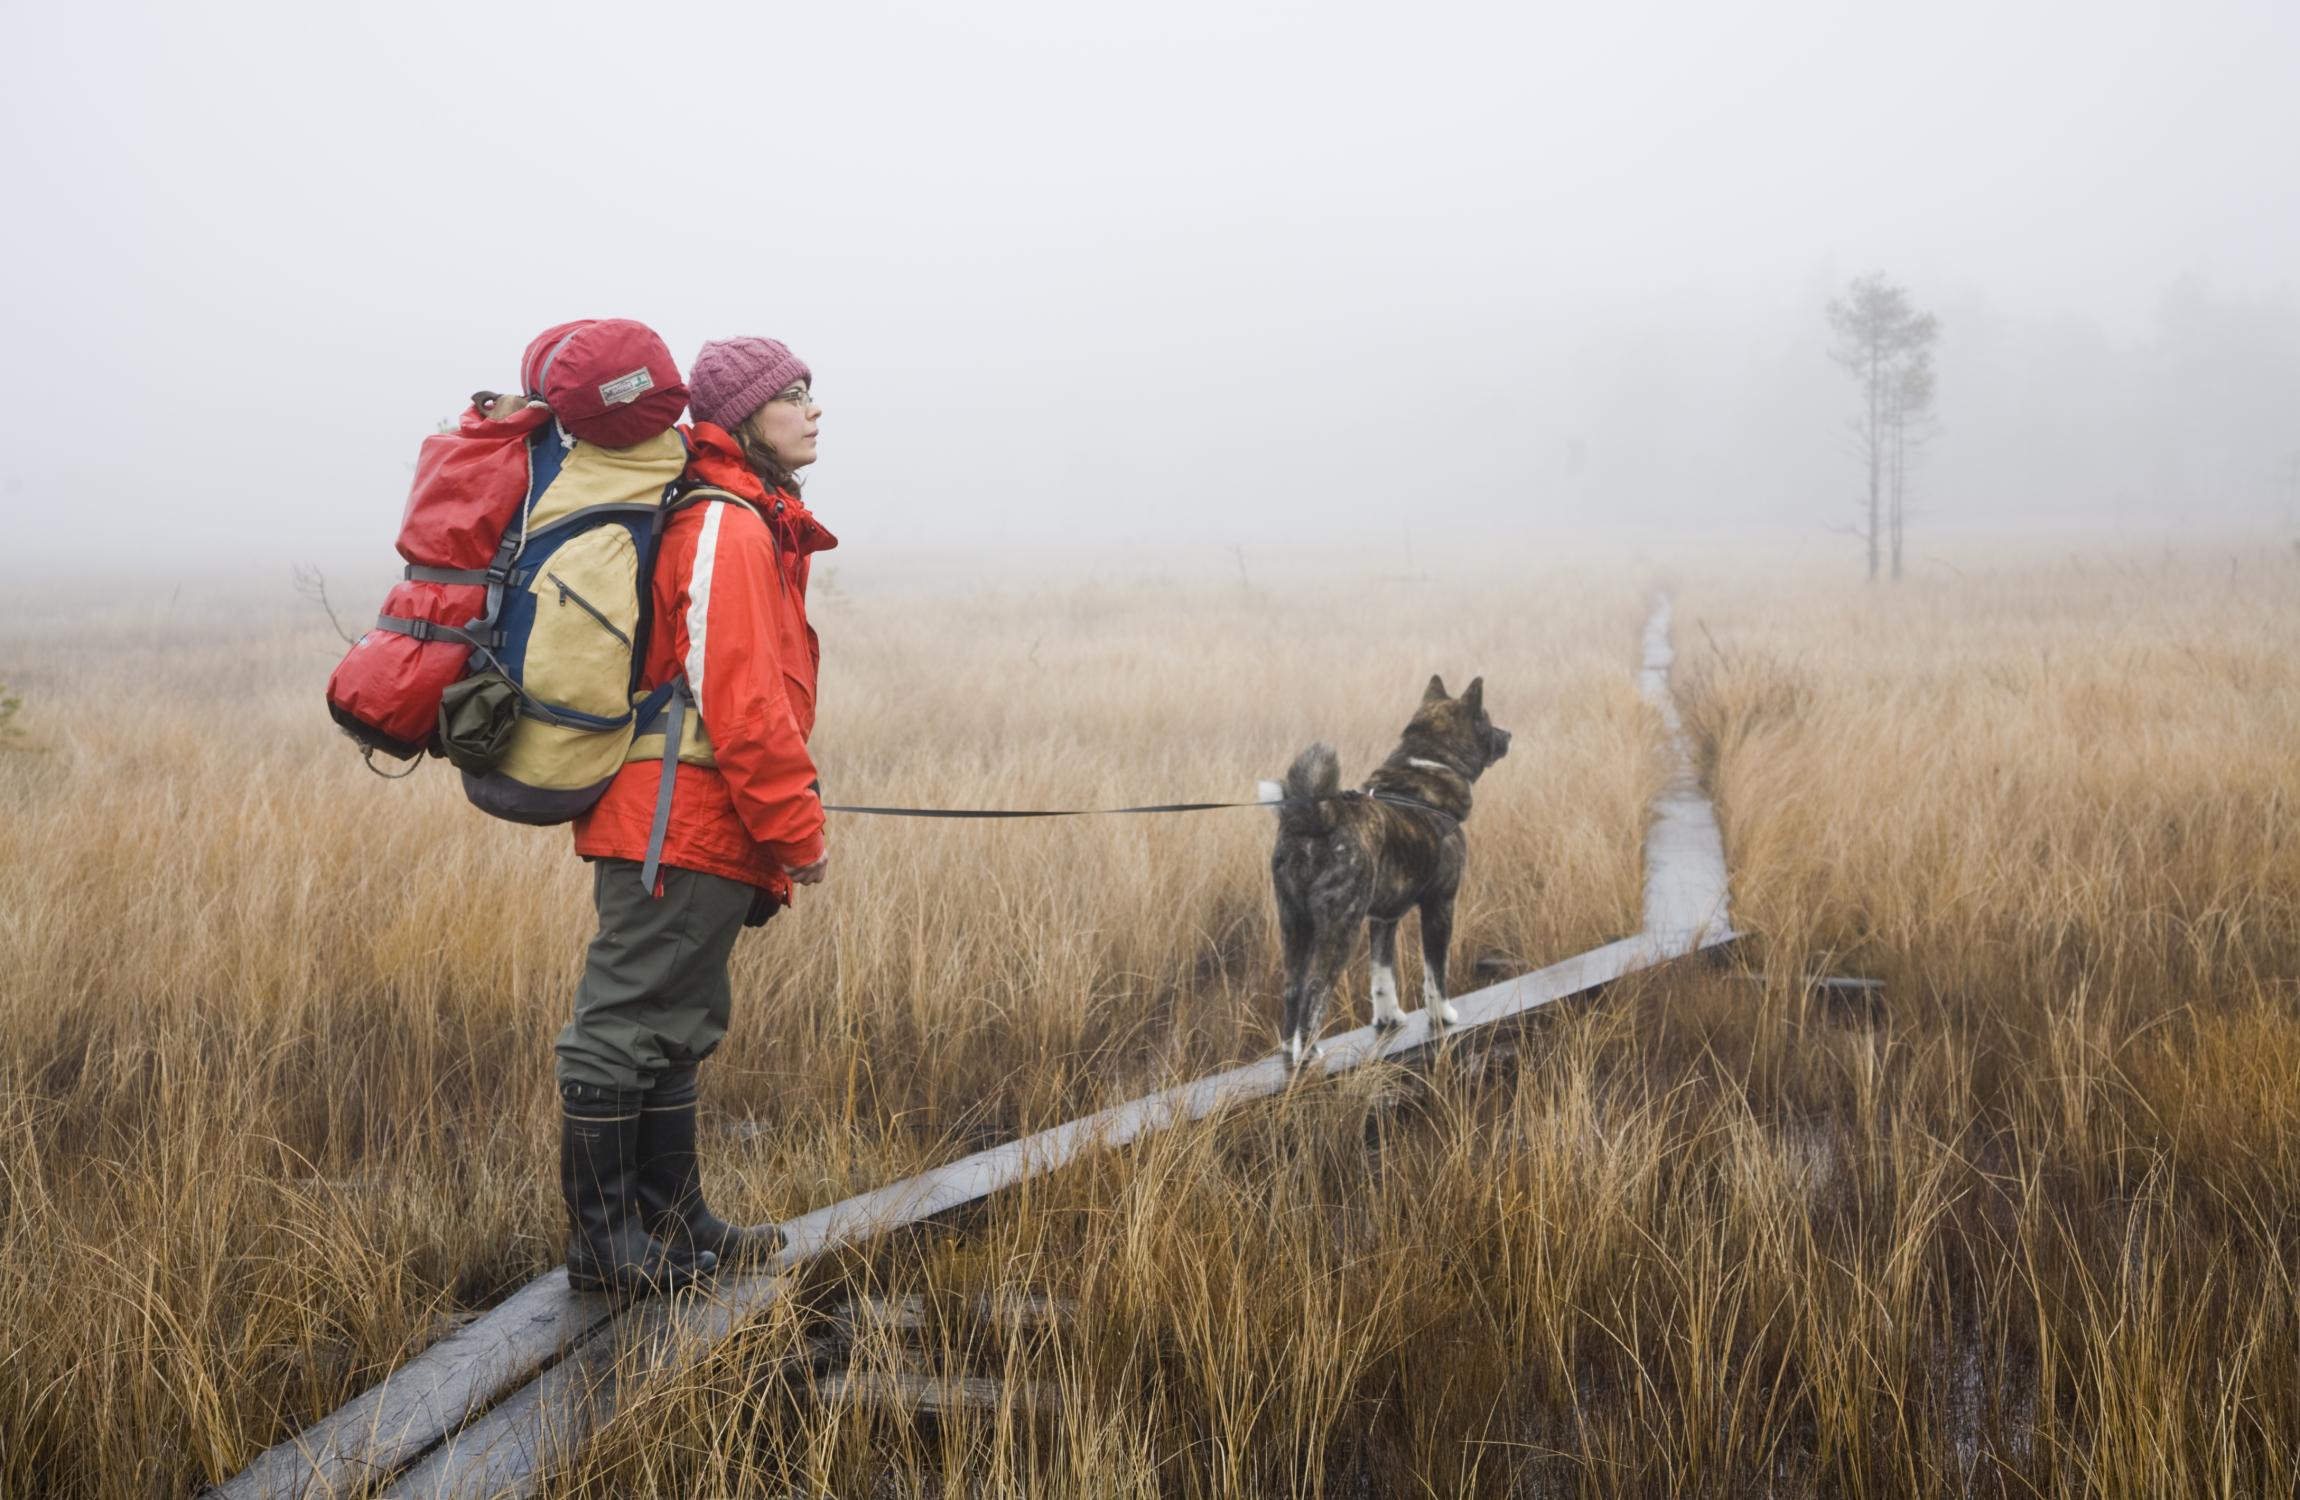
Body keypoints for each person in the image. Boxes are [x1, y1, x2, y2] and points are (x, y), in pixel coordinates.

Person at [554, 336, 836, 1296]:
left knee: (677, 1019)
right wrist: (798, 831)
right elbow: (741, 701)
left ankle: (674, 1223)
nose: (813, 409)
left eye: (810, 391)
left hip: (702, 816)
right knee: (624, 1023)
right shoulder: (726, 523)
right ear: (745, 417)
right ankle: (604, 1246)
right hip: (677, 817)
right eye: (792, 394)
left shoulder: (748, 515)